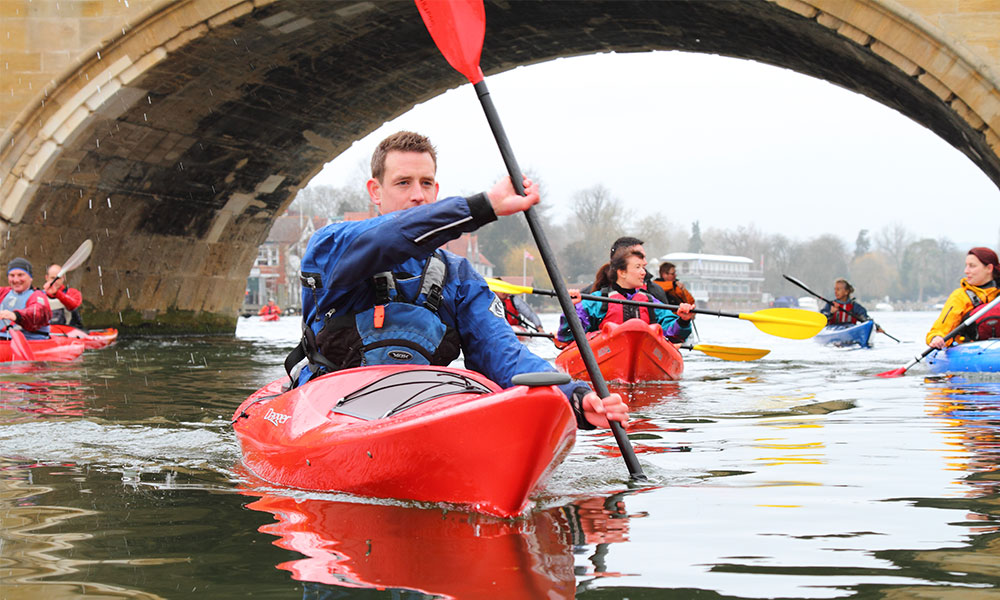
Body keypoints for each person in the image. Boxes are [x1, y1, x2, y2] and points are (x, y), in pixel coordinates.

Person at [286, 131, 627, 431]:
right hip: (331, 413)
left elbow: (503, 355)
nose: (418, 195)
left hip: (419, 411)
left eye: (427, 183)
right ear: (375, 191)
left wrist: (576, 397)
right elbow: (391, 236)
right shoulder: (332, 247)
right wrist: (483, 206)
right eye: (403, 183)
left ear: (437, 189)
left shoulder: (460, 277)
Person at [558, 250, 694, 344]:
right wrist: (572, 308)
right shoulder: (596, 301)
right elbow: (568, 335)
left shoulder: (650, 301)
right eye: (638, 267)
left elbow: (674, 334)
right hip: (606, 354)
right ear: (622, 272)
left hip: (643, 356)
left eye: (643, 267)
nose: (643, 273)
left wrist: (683, 321)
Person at [927, 247, 1000, 349]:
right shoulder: (960, 297)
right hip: (968, 349)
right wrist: (936, 337)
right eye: (966, 266)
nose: (966, 271)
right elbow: (942, 328)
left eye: (972, 266)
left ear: (989, 268)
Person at [583, 236, 671, 305]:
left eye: (644, 257)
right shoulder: (592, 295)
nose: (645, 262)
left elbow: (668, 324)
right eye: (639, 256)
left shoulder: (655, 292)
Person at [0, 257, 52, 340]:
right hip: (4, 339)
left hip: (28, 341)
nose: (16, 280)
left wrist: (16, 315)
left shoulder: (37, 296)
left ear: (30, 277)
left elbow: (37, 313)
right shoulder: (4, 292)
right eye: (12, 275)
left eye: (20, 275)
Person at [43, 263, 84, 328]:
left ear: (64, 278)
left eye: (58, 278)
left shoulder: (73, 293)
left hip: (69, 333)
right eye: (52, 278)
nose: (55, 281)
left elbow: (73, 305)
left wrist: (57, 293)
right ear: (46, 278)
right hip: (49, 334)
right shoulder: (39, 295)